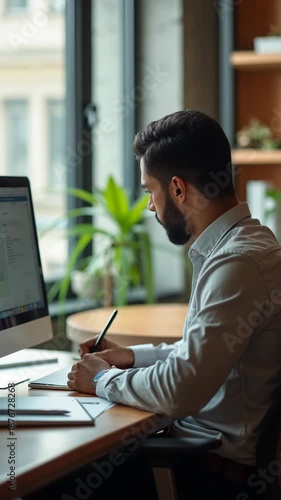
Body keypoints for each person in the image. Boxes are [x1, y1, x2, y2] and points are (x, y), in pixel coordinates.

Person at [36, 109, 281, 500]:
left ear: (179, 190)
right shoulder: (243, 244)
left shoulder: (239, 262)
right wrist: (128, 358)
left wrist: (99, 380)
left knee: (47, 482)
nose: (150, 206)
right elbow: (197, 354)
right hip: (203, 458)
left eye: (151, 190)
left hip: (209, 476)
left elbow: (181, 388)